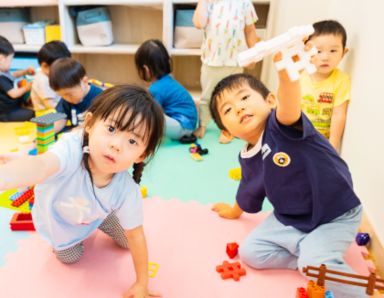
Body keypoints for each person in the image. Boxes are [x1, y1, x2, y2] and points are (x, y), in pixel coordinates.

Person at [209, 52, 364, 297]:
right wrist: (233, 211)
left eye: (245, 98)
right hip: (293, 216)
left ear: (270, 100)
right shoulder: (247, 155)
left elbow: (289, 104)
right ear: (227, 132)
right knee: (251, 253)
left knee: (313, 265)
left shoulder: (281, 125)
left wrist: (287, 77)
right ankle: (309, 257)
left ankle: (363, 291)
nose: (239, 108)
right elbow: (249, 188)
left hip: (335, 212)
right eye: (228, 110)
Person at [0, 85, 164, 298]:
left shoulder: (126, 189)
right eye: (112, 129)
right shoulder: (71, 149)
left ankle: (103, 217)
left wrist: (142, 283)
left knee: (126, 241)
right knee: (71, 257)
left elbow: (136, 235)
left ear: (141, 155)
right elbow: (40, 166)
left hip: (95, 215)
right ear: (89, 124)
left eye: (132, 141)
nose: (116, 145)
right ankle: (72, 236)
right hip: (61, 221)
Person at [192, 0, 260, 143]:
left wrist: (253, 53)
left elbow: (250, 30)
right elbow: (198, 23)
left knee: (233, 97)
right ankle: (203, 124)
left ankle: (228, 129)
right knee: (207, 97)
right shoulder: (208, 3)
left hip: (234, 61)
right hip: (211, 61)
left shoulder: (244, 3)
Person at [300, 20, 350, 153]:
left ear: (343, 53)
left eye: (333, 50)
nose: (325, 57)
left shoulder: (341, 80)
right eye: (318, 51)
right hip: (296, 135)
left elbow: (339, 114)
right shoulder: (299, 75)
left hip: (321, 141)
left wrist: (332, 146)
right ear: (307, 51)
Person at [135, 39, 198, 140]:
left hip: (181, 126)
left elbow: (152, 113)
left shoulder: (156, 89)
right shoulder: (167, 80)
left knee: (148, 114)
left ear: (146, 69)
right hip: (189, 124)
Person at [49, 57, 103, 133]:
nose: (66, 98)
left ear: (84, 81)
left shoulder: (100, 97)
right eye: (62, 95)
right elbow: (60, 120)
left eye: (69, 94)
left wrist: (75, 131)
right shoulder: (66, 99)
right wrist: (47, 133)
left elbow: (98, 124)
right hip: (74, 133)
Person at [0, 36, 35, 122]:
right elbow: (14, 94)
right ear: (1, 59)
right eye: (10, 60)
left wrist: (25, 72)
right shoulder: (1, 78)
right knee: (32, 114)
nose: (11, 63)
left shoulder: (3, 71)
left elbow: (13, 75)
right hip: (7, 113)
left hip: (13, 106)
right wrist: (27, 87)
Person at [31, 41, 71, 112]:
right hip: (44, 113)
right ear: (45, 66)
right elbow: (49, 104)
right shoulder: (43, 80)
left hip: (54, 107)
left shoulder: (49, 74)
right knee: (70, 115)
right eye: (59, 68)